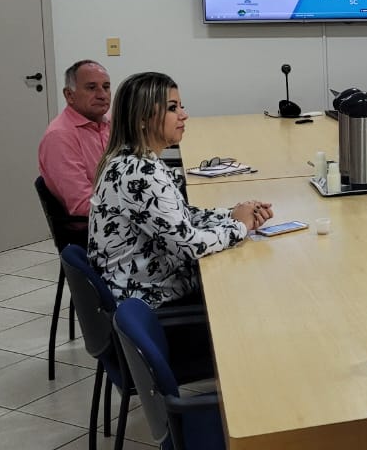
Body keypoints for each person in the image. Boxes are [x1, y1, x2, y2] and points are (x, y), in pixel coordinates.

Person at [88, 72, 273, 308]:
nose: (184, 115)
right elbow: (190, 245)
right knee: (249, 281)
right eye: (173, 108)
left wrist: (233, 213)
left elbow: (180, 216)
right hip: (145, 299)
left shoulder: (137, 160)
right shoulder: (138, 172)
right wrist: (240, 226)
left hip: (144, 283)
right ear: (142, 119)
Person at [38, 60, 112, 219]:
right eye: (91, 88)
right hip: (92, 228)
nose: (102, 95)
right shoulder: (60, 136)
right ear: (69, 95)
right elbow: (83, 204)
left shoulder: (110, 123)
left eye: (106, 87)